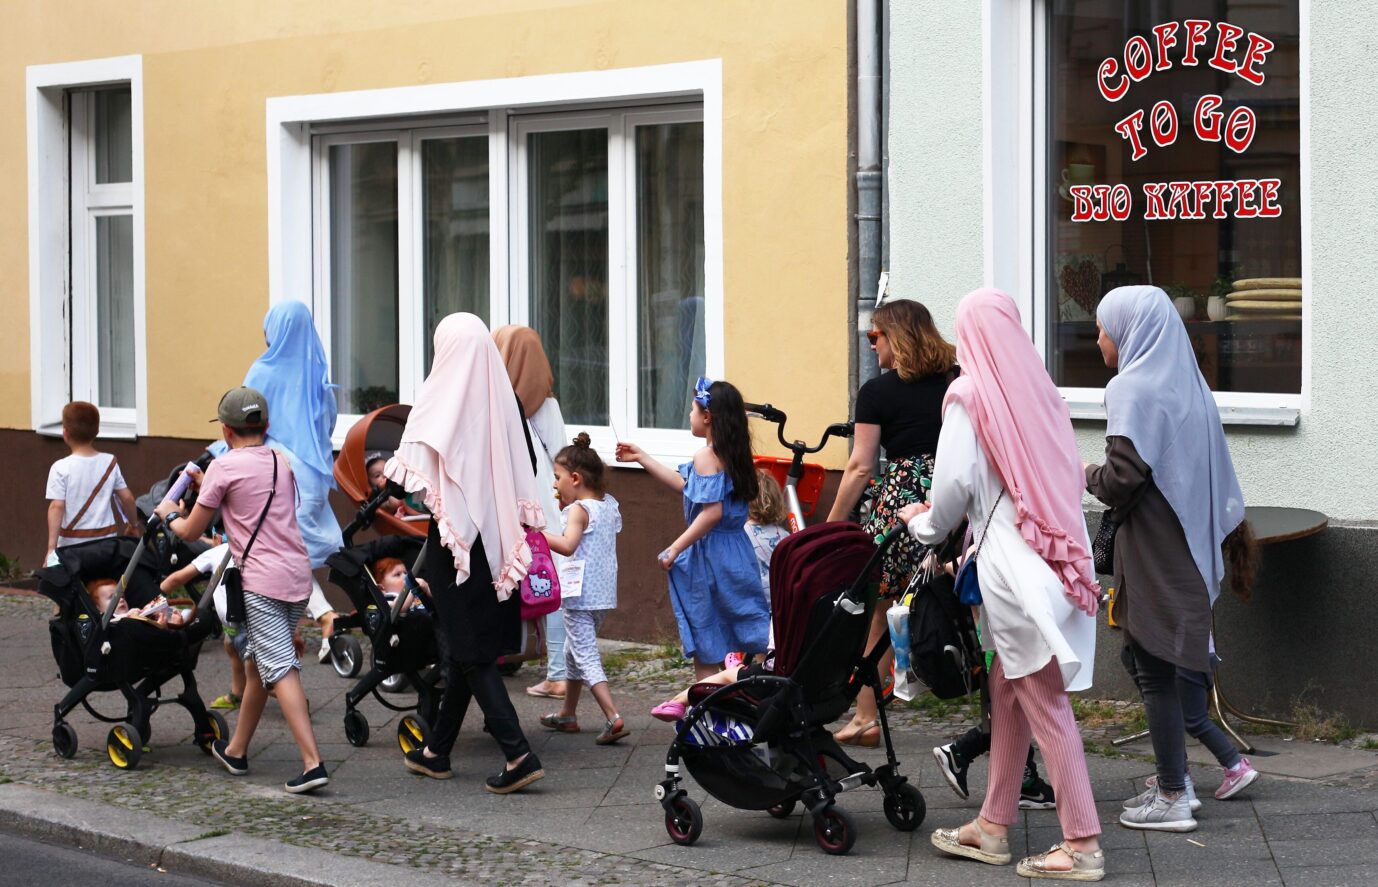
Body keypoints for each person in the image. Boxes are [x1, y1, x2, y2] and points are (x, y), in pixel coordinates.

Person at [899, 288, 1104, 881]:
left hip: (1012, 571)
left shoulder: (970, 397)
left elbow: (951, 492)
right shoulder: (1041, 394)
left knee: (1041, 698)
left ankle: (1083, 842)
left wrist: (923, 524)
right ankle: (992, 826)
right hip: (1053, 560)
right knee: (1007, 688)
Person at [1085, 285, 1258, 831]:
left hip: (1157, 552)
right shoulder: (1188, 384)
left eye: (1102, 328)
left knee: (1155, 669)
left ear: (1130, 332)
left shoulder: (1131, 389)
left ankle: (1172, 794)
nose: (1098, 339)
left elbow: (1122, 479)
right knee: (1150, 664)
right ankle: (1174, 780)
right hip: (1184, 549)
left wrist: (1081, 475)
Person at [384, 312, 545, 793]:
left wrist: (411, 488)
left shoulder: (439, 395)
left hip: (453, 545)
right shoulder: (506, 399)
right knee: (465, 647)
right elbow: (528, 463)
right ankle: (437, 752)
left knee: (470, 652)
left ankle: (518, 753)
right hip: (497, 540)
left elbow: (404, 467)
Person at [155, 386, 328, 794]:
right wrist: (205, 483)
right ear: (265, 427)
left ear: (227, 431)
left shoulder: (224, 468)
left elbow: (193, 530)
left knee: (279, 667)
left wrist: (169, 516)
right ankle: (235, 750)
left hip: (263, 582)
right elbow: (248, 501)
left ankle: (312, 762)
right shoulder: (280, 461)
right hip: (297, 575)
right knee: (256, 666)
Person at [826, 299, 956, 748]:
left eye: (874, 335)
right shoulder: (954, 380)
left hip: (901, 505)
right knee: (956, 598)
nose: (871, 344)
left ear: (895, 337)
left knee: (877, 610)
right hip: (950, 496)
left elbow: (860, 467)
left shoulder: (877, 392)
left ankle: (866, 715)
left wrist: (831, 523)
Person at [617, 377, 769, 681]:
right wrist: (642, 457)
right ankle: (749, 692)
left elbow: (711, 512)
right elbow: (689, 488)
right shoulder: (734, 455)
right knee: (742, 629)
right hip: (737, 553)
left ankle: (707, 712)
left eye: (692, 410)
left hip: (709, 558)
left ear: (707, 417)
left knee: (706, 640)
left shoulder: (705, 456)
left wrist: (676, 547)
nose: (689, 416)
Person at [239, 300, 343, 665]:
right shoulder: (317, 373)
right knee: (296, 553)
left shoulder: (261, 373)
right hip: (314, 475)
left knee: (283, 555)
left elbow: (245, 425)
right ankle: (307, 622)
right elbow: (328, 424)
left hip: (278, 475)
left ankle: (321, 617)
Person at [493, 324, 570, 702]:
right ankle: (556, 667)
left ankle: (550, 670)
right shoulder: (548, 403)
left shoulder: (499, 404)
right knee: (548, 581)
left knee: (522, 579)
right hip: (550, 506)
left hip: (516, 506)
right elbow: (562, 454)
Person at [536, 433, 628, 744]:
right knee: (571, 651)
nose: (554, 485)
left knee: (586, 655)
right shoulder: (608, 506)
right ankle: (567, 714)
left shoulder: (578, 511)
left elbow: (567, 545)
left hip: (578, 595)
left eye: (557, 477)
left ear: (575, 478)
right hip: (602, 595)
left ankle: (613, 716)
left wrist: (534, 533)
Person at [45, 401, 142, 564]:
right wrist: (133, 525)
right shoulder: (110, 462)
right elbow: (127, 499)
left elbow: (57, 506)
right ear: (97, 431)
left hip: (71, 547)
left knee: (59, 586)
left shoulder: (60, 467)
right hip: (106, 544)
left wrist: (51, 549)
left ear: (65, 433)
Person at [160, 541, 245, 709]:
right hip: (239, 623)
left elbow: (177, 579)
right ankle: (238, 693)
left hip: (241, 624)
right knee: (231, 649)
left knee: (265, 675)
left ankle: (287, 695)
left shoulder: (218, 551)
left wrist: (157, 593)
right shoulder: (258, 549)